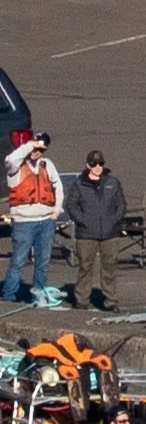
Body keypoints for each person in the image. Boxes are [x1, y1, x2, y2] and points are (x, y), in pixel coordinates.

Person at [3, 133, 63, 303]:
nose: (36, 152)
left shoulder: (47, 165)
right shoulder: (16, 165)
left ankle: (40, 293)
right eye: (34, 148)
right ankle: (8, 295)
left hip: (46, 221)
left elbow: (57, 187)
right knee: (19, 261)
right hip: (24, 223)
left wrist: (56, 211)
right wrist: (29, 145)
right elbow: (9, 159)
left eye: (40, 149)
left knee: (43, 261)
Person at [64, 150, 127, 312]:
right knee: (85, 267)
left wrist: (114, 221)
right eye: (94, 164)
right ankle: (82, 300)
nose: (97, 167)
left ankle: (111, 300)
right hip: (86, 234)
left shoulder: (113, 182)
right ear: (88, 165)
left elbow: (121, 205)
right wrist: (83, 220)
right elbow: (71, 205)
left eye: (100, 164)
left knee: (110, 267)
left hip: (110, 234)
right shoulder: (79, 184)